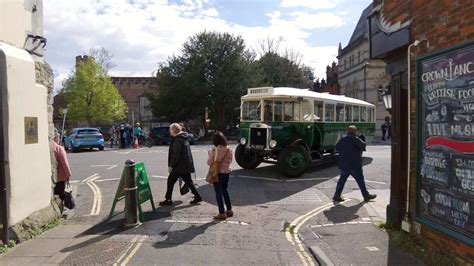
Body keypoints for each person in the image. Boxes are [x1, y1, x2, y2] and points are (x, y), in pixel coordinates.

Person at [159, 123, 202, 206]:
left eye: (170, 129)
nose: (169, 131)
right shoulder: (184, 138)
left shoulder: (177, 139)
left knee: (170, 181)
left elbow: (176, 154)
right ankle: (197, 196)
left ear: (173, 130)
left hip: (179, 166)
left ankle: (168, 199)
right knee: (189, 182)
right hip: (185, 164)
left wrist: (171, 166)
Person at [333, 125, 377, 202]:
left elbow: (337, 147)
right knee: (360, 181)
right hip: (354, 164)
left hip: (344, 163)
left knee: (342, 180)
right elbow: (363, 145)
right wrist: (361, 137)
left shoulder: (343, 138)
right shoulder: (356, 139)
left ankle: (337, 195)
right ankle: (366, 195)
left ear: (348, 131)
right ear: (355, 132)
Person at [207, 132, 233, 220]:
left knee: (218, 193)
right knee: (225, 190)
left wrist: (210, 154)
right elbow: (230, 160)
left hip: (218, 173)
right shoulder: (229, 148)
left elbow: (210, 162)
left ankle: (222, 213)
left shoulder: (215, 149)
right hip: (227, 172)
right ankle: (229, 210)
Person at [53, 130, 72, 213]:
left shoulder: (49, 147)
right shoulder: (58, 148)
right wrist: (68, 175)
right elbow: (65, 163)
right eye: (58, 138)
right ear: (56, 138)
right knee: (60, 193)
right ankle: (61, 209)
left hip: (51, 177)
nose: (59, 139)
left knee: (54, 192)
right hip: (60, 176)